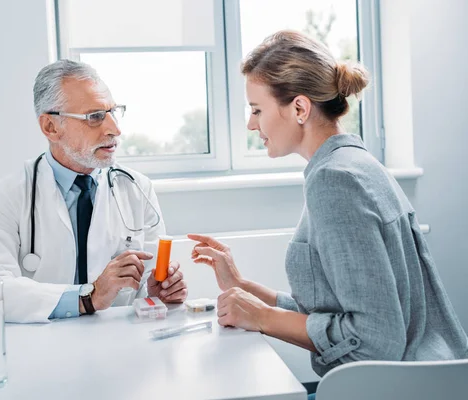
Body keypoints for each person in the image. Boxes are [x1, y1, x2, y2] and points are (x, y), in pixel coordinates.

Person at [188, 30, 468, 389]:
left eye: (257, 109)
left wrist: (262, 318)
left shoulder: (335, 181)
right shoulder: (354, 163)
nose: (251, 123)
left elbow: (373, 339)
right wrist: (245, 288)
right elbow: (346, 311)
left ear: (300, 108)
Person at [0, 60, 187, 323]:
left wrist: (157, 292)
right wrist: (86, 298)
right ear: (51, 127)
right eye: (94, 117)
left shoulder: (136, 189)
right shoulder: (10, 194)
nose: (115, 129)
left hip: (117, 347)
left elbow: (143, 291)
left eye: (113, 112)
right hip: (39, 350)